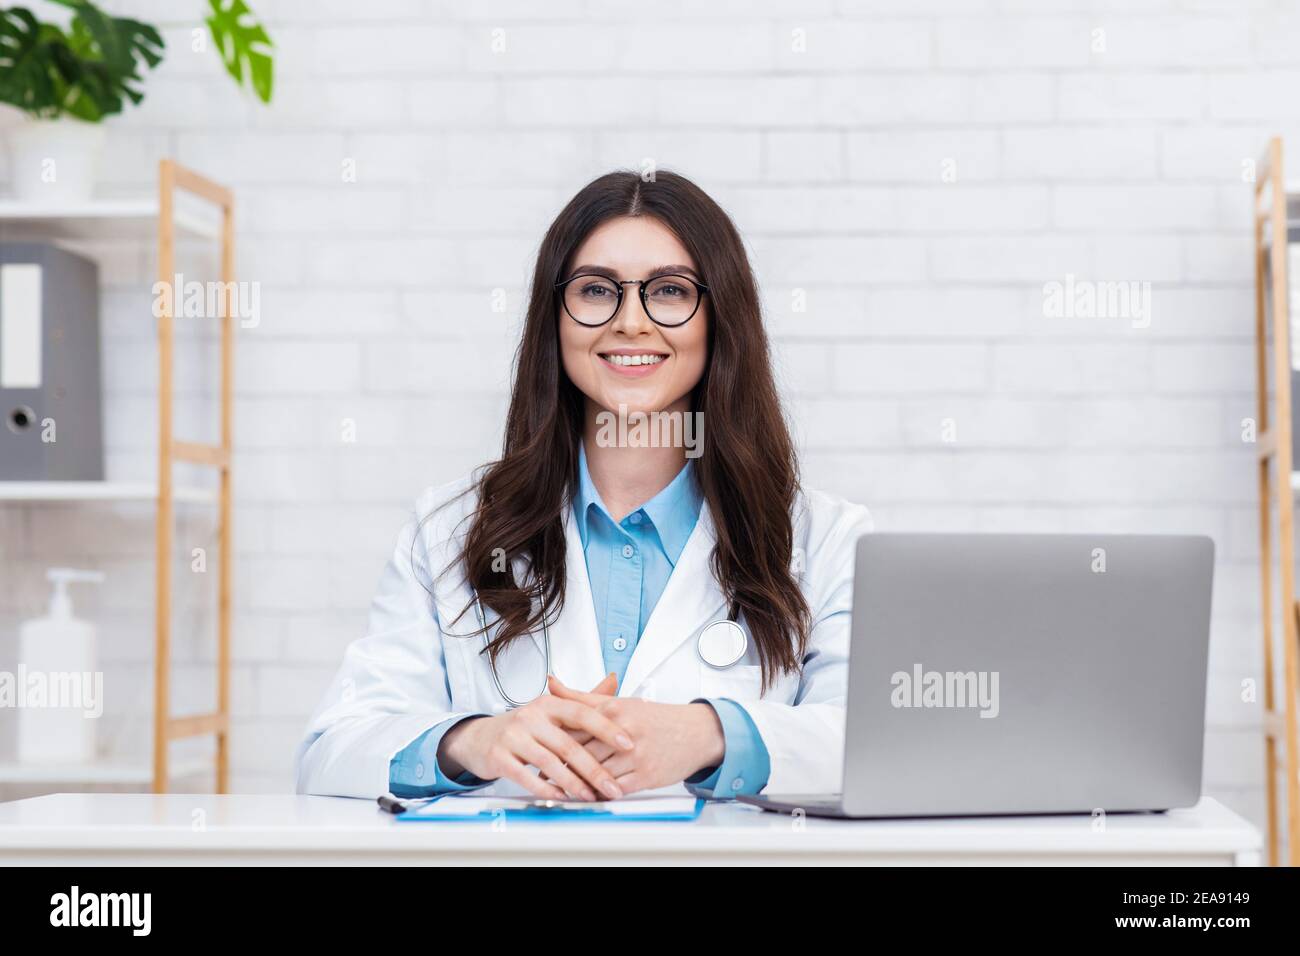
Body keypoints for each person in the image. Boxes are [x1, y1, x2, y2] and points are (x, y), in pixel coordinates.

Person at [295, 170, 872, 801]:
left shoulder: (826, 540)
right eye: (597, 290)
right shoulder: (449, 531)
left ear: (720, 318)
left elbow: (875, 747)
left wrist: (710, 734)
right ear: (556, 317)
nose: (630, 322)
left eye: (670, 291)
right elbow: (331, 751)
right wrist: (474, 743)